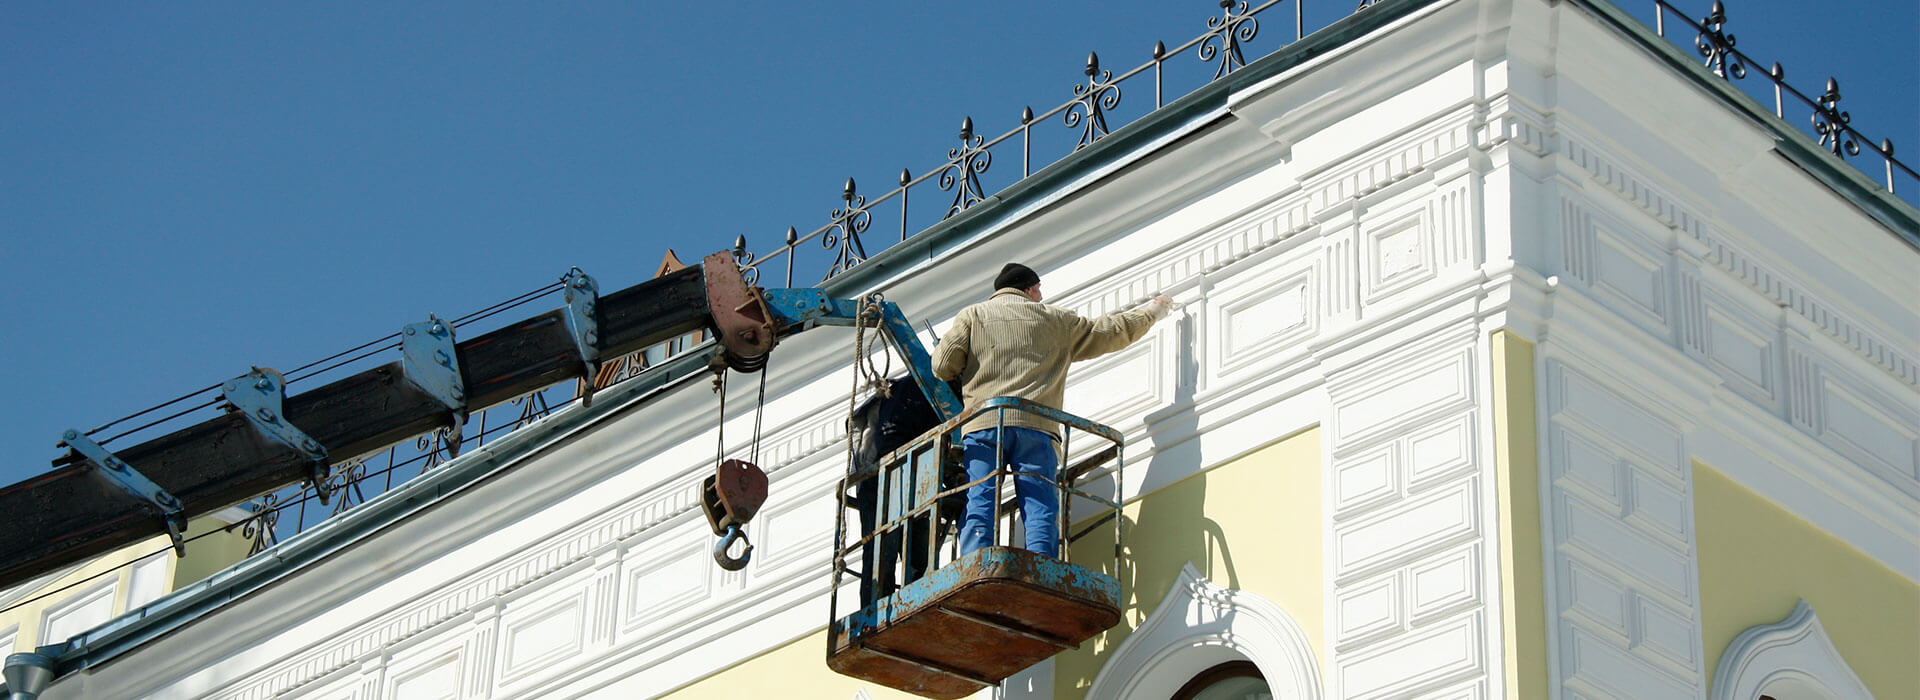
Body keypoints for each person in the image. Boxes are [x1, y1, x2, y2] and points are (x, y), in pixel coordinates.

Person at [932, 262, 1171, 558]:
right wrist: (1151, 313)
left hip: (985, 426)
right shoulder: (1056, 320)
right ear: (1030, 289)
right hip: (1038, 429)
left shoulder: (973, 315)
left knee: (980, 498)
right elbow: (1109, 332)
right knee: (1040, 502)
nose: (1041, 298)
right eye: (1039, 291)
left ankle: (975, 562)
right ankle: (1041, 564)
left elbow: (942, 367)